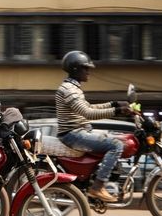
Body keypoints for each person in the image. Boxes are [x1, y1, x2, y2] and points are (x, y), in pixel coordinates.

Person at [55, 50, 132, 203]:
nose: (89, 71)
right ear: (76, 68)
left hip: (77, 132)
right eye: (86, 68)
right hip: (73, 134)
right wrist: (117, 111)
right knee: (116, 145)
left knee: (113, 139)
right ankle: (98, 187)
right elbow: (87, 113)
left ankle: (96, 179)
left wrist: (114, 104)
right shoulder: (69, 90)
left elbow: (89, 107)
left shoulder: (73, 87)